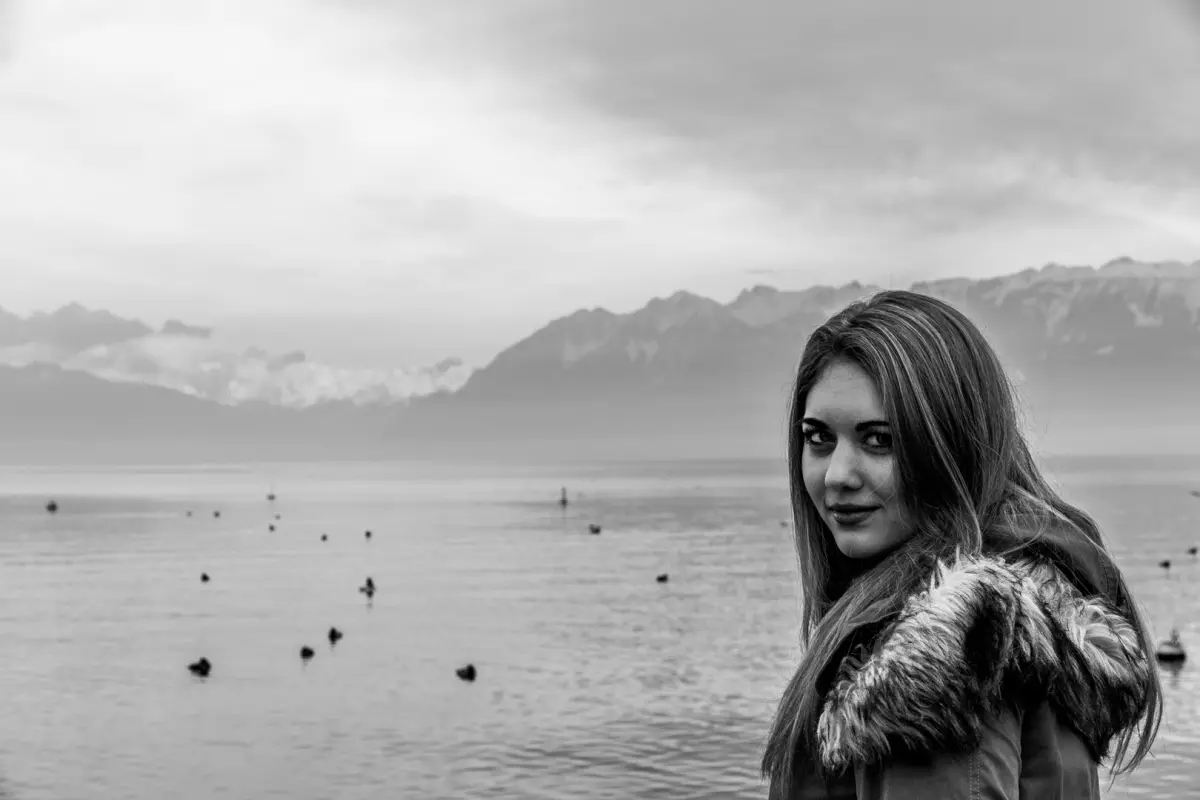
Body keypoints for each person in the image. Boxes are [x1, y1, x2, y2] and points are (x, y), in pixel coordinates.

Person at [760, 290, 1161, 799]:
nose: (838, 475)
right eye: (818, 438)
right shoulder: (1034, 626)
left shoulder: (944, 663)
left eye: (879, 440)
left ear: (951, 445)